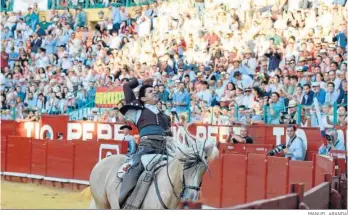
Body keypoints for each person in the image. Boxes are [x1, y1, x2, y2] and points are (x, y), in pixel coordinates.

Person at [118, 77, 171, 207]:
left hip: (164, 147)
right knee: (136, 169)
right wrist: (138, 82)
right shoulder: (137, 111)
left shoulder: (164, 116)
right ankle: (125, 201)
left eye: (154, 90)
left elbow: (170, 134)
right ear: (143, 99)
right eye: (150, 91)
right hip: (146, 147)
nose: (154, 92)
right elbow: (126, 87)